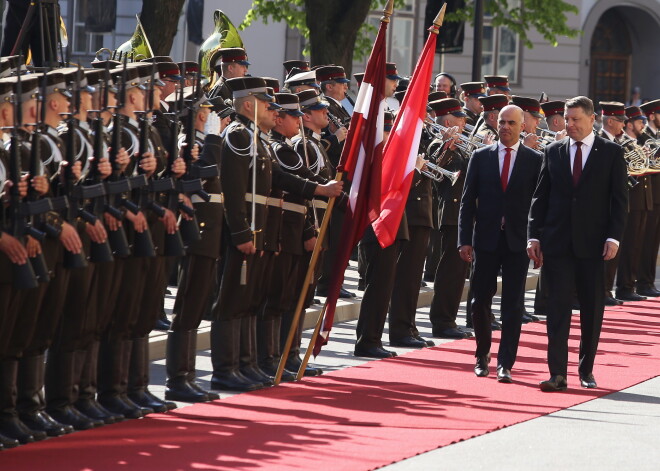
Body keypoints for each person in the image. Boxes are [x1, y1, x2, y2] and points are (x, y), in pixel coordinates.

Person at [528, 96, 628, 392]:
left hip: (594, 245)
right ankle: (557, 373)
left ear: (591, 119)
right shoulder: (553, 150)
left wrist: (614, 237)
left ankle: (586, 370)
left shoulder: (610, 152)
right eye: (567, 119)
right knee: (557, 310)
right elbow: (540, 197)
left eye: (575, 120)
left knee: (591, 310)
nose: (568, 124)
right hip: (557, 244)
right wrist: (534, 235)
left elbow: (619, 201)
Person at [459, 105, 541, 382]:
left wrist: (537, 238)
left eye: (511, 123)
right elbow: (467, 201)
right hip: (485, 240)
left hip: (518, 242)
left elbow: (539, 205)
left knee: (513, 304)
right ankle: (482, 355)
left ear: (523, 127)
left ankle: (506, 362)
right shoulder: (481, 157)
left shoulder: (534, 159)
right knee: (479, 300)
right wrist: (463, 240)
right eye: (502, 122)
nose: (505, 127)